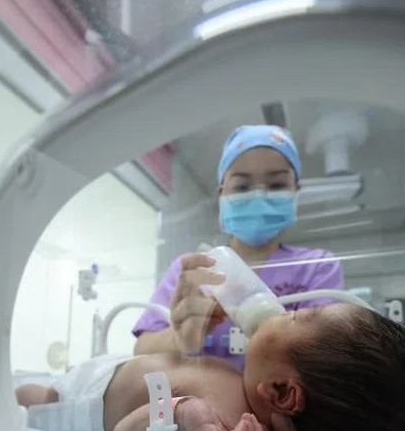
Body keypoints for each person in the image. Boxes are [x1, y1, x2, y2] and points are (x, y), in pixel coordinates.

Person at [16, 303, 405, 431]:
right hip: (102, 371)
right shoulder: (243, 390)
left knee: (24, 397)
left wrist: (179, 421)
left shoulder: (225, 423)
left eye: (300, 315)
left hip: (78, 406)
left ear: (283, 392)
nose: (282, 310)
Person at [132, 125, 345, 369]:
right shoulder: (193, 270)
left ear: (296, 191)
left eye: (276, 185)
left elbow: (328, 355)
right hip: (202, 402)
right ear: (222, 195)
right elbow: (142, 348)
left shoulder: (316, 267)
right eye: (242, 187)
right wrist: (178, 339)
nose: (259, 196)